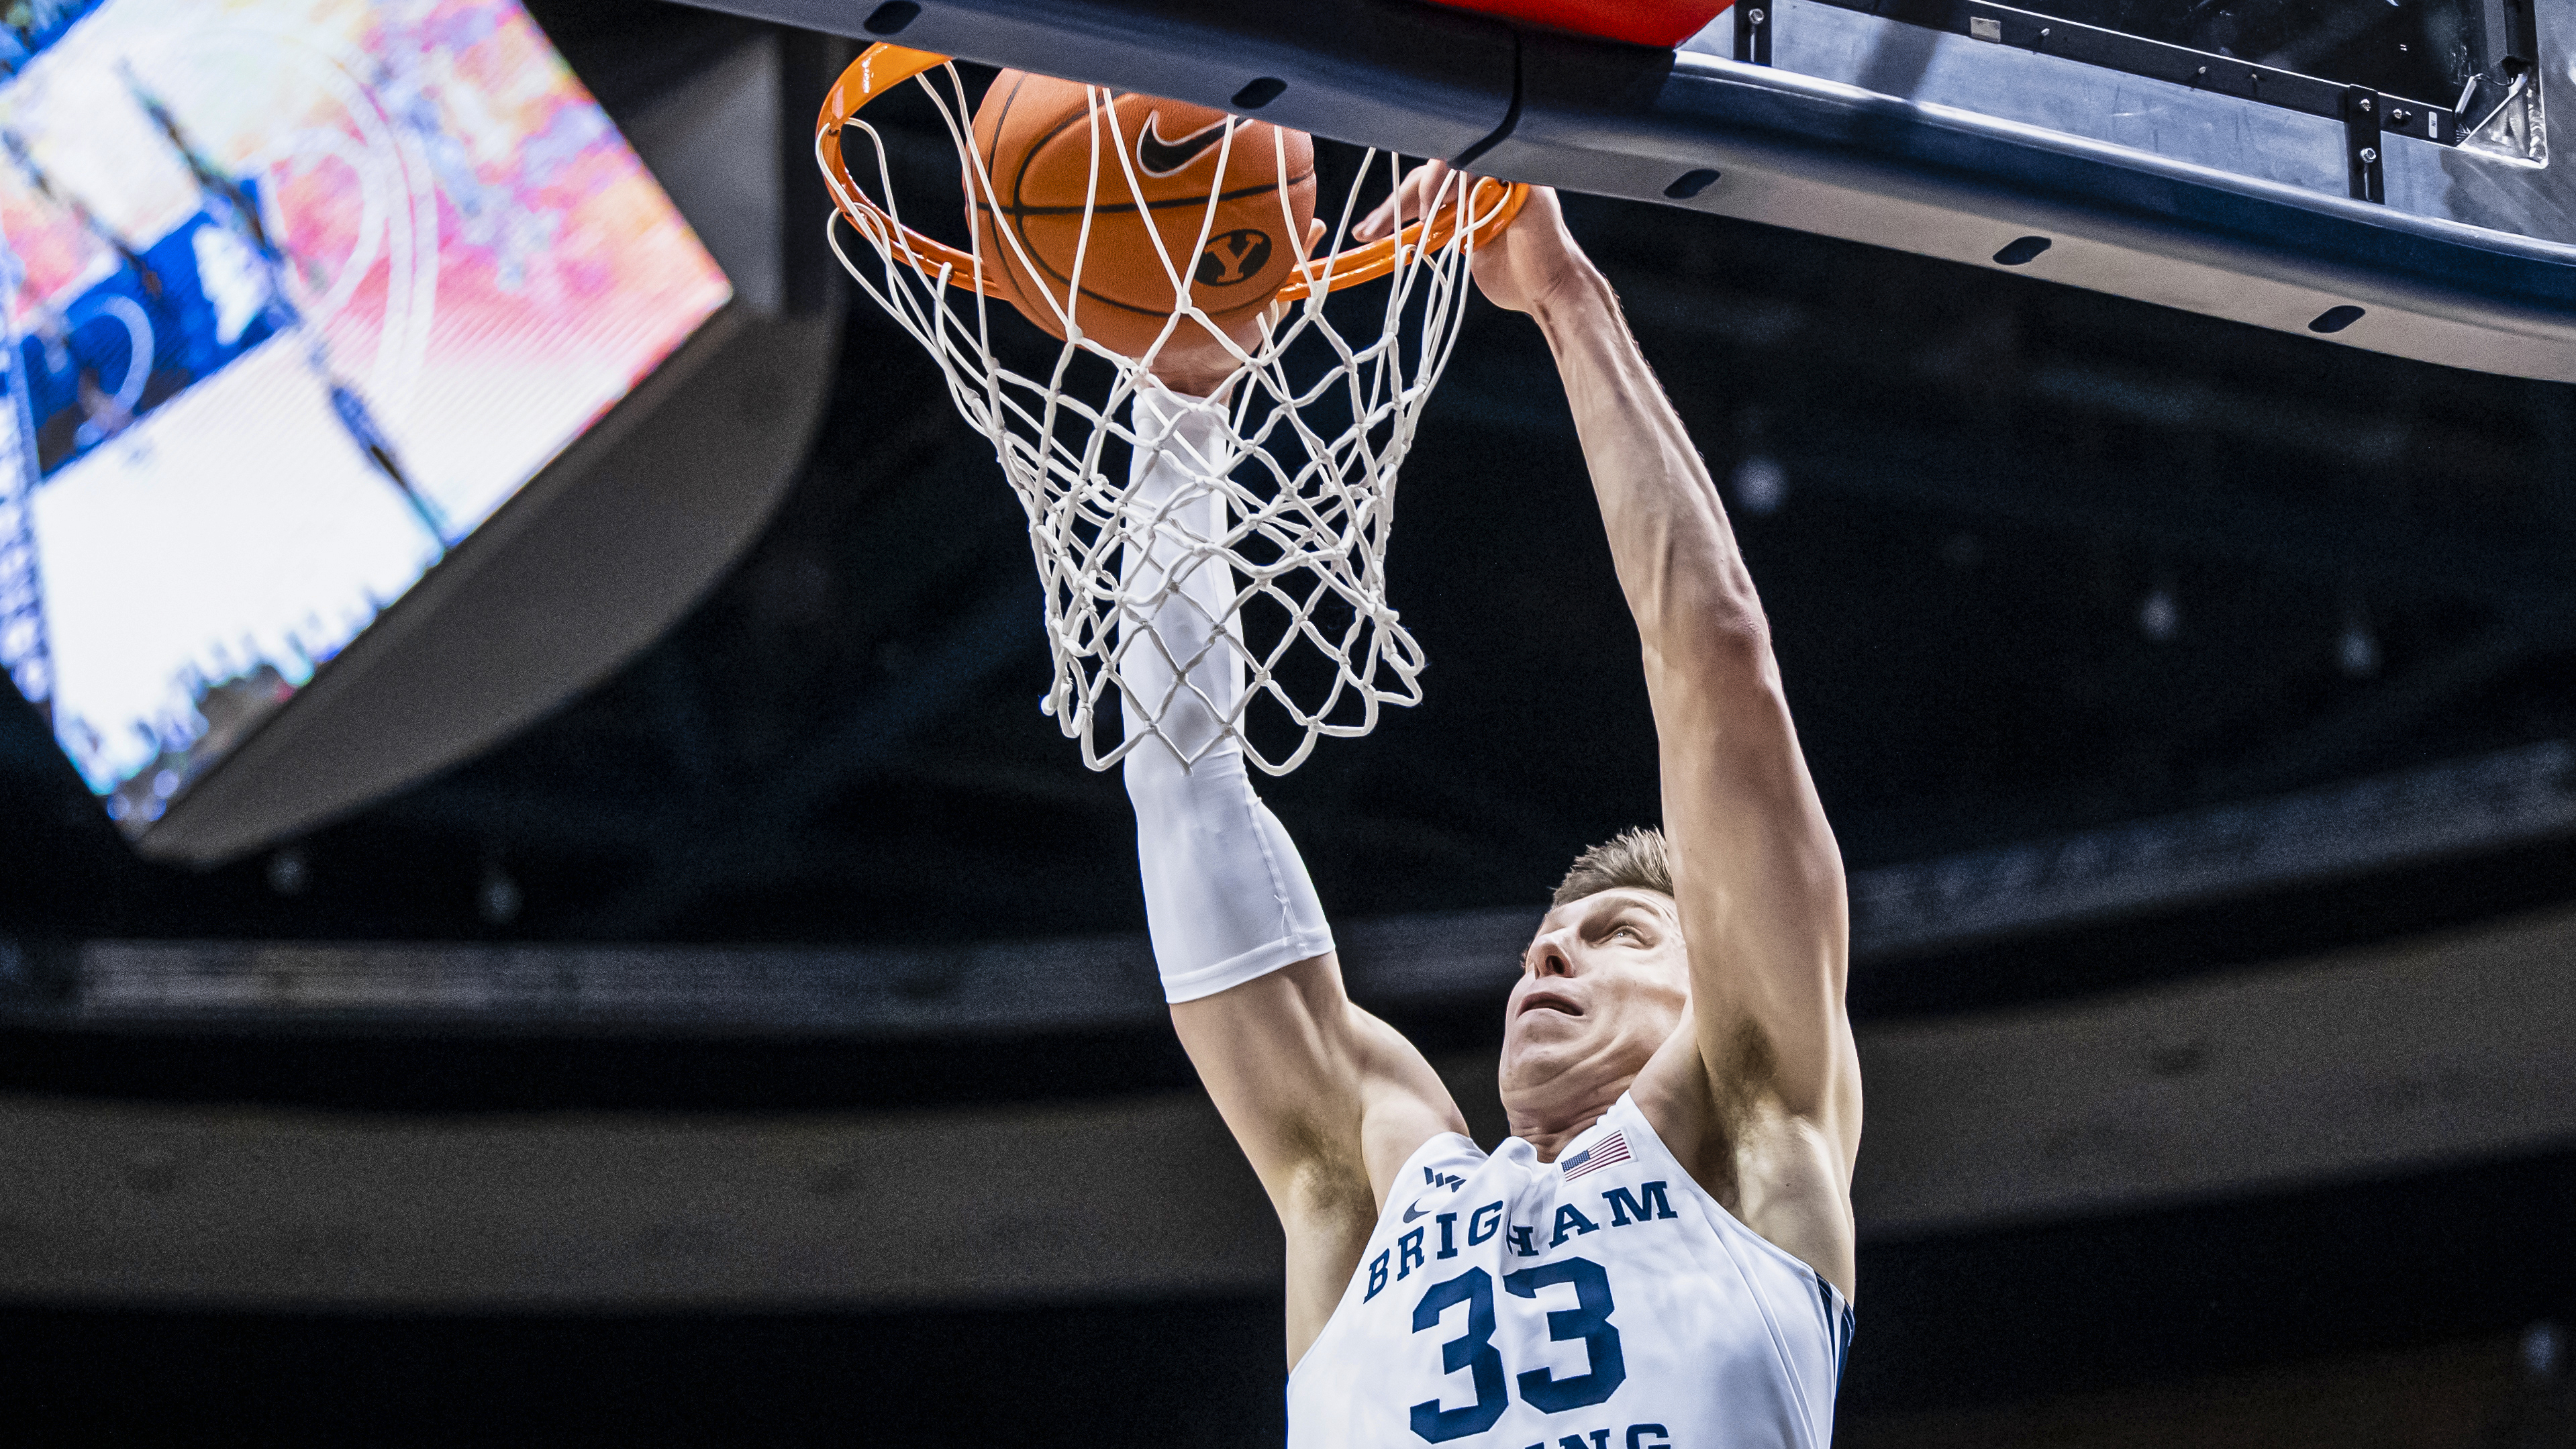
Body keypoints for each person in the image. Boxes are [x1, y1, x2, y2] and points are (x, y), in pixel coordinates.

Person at [1118, 164, 1859, 1449]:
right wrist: (1179, 409)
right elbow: (1184, 791)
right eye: (1550, 940)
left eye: (1621, 934)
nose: (1548, 949)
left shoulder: (1752, 1133)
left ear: (1720, 985)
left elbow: (1718, 661)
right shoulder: (1372, 1177)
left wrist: (1565, 300)